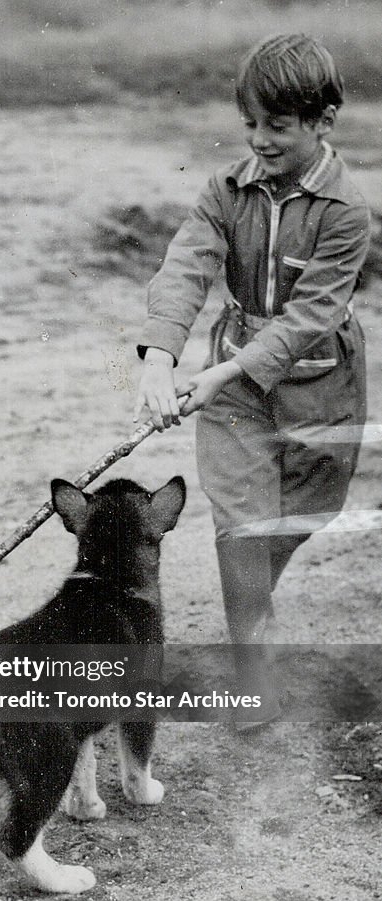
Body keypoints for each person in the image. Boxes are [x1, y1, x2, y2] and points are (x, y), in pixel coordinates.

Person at [132, 33, 371, 728]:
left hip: (319, 386)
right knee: (241, 522)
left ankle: (252, 606)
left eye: (277, 126)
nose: (258, 141)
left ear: (323, 122)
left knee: (300, 515)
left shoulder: (345, 211)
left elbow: (310, 316)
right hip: (235, 386)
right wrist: (158, 355)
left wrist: (225, 369)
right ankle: (252, 668)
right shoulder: (224, 189)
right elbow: (185, 266)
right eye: (249, 124)